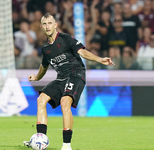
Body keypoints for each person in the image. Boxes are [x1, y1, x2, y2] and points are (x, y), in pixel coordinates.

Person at [23, 13, 115, 150]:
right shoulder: (46, 48)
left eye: (50, 23)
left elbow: (82, 52)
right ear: (41, 27)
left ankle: (66, 145)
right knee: (41, 99)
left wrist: (100, 59)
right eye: (44, 24)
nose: (47, 26)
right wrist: (37, 77)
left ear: (55, 25)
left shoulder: (65, 39)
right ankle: (40, 140)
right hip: (61, 78)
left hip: (76, 74)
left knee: (65, 102)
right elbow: (44, 66)